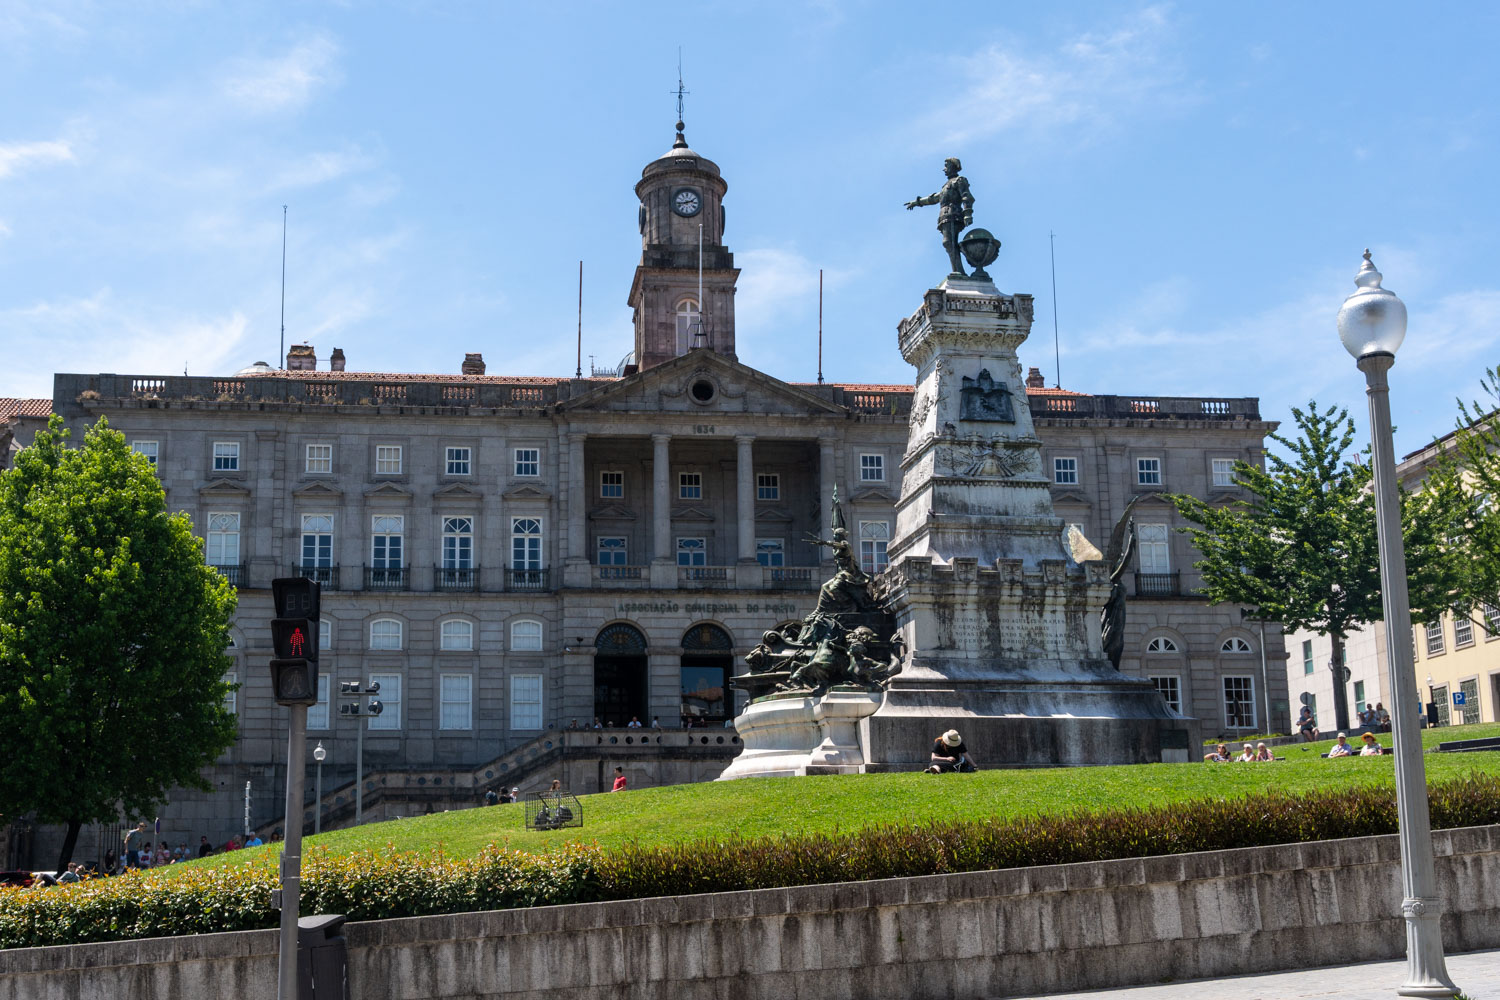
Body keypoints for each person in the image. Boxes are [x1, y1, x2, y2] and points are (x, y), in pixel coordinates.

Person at [905, 157, 976, 276]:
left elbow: (967, 197)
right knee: (949, 243)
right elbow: (934, 198)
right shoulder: (946, 186)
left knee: (949, 242)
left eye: (946, 166)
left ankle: (959, 271)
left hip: (953, 215)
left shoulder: (959, 180)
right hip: (945, 216)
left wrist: (967, 214)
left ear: (954, 166)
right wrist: (917, 202)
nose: (944, 169)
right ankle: (958, 270)